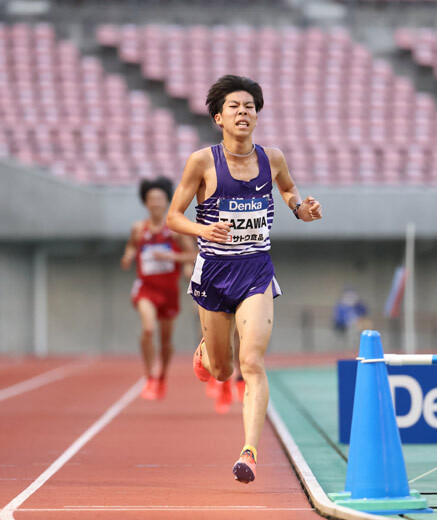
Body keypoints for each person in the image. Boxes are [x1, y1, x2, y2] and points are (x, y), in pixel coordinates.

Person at [166, 75, 323, 483]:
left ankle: (249, 452)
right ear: (219, 117)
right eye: (234, 106)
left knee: (250, 361)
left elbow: (288, 190)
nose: (243, 112)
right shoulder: (202, 161)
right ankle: (206, 352)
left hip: (256, 271)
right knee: (222, 369)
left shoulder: (272, 159)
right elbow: (173, 217)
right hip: (215, 274)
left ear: (257, 115)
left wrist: (300, 208)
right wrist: (203, 230)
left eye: (250, 106)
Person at [121, 176, 197, 400]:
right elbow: (131, 247)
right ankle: (149, 376)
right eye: (151, 199)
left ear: (167, 202)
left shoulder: (175, 229)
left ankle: (162, 374)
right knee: (148, 329)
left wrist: (176, 259)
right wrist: (128, 256)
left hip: (168, 291)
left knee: (165, 342)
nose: (155, 203)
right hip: (145, 288)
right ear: (146, 202)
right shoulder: (138, 228)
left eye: (160, 199)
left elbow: (193, 254)